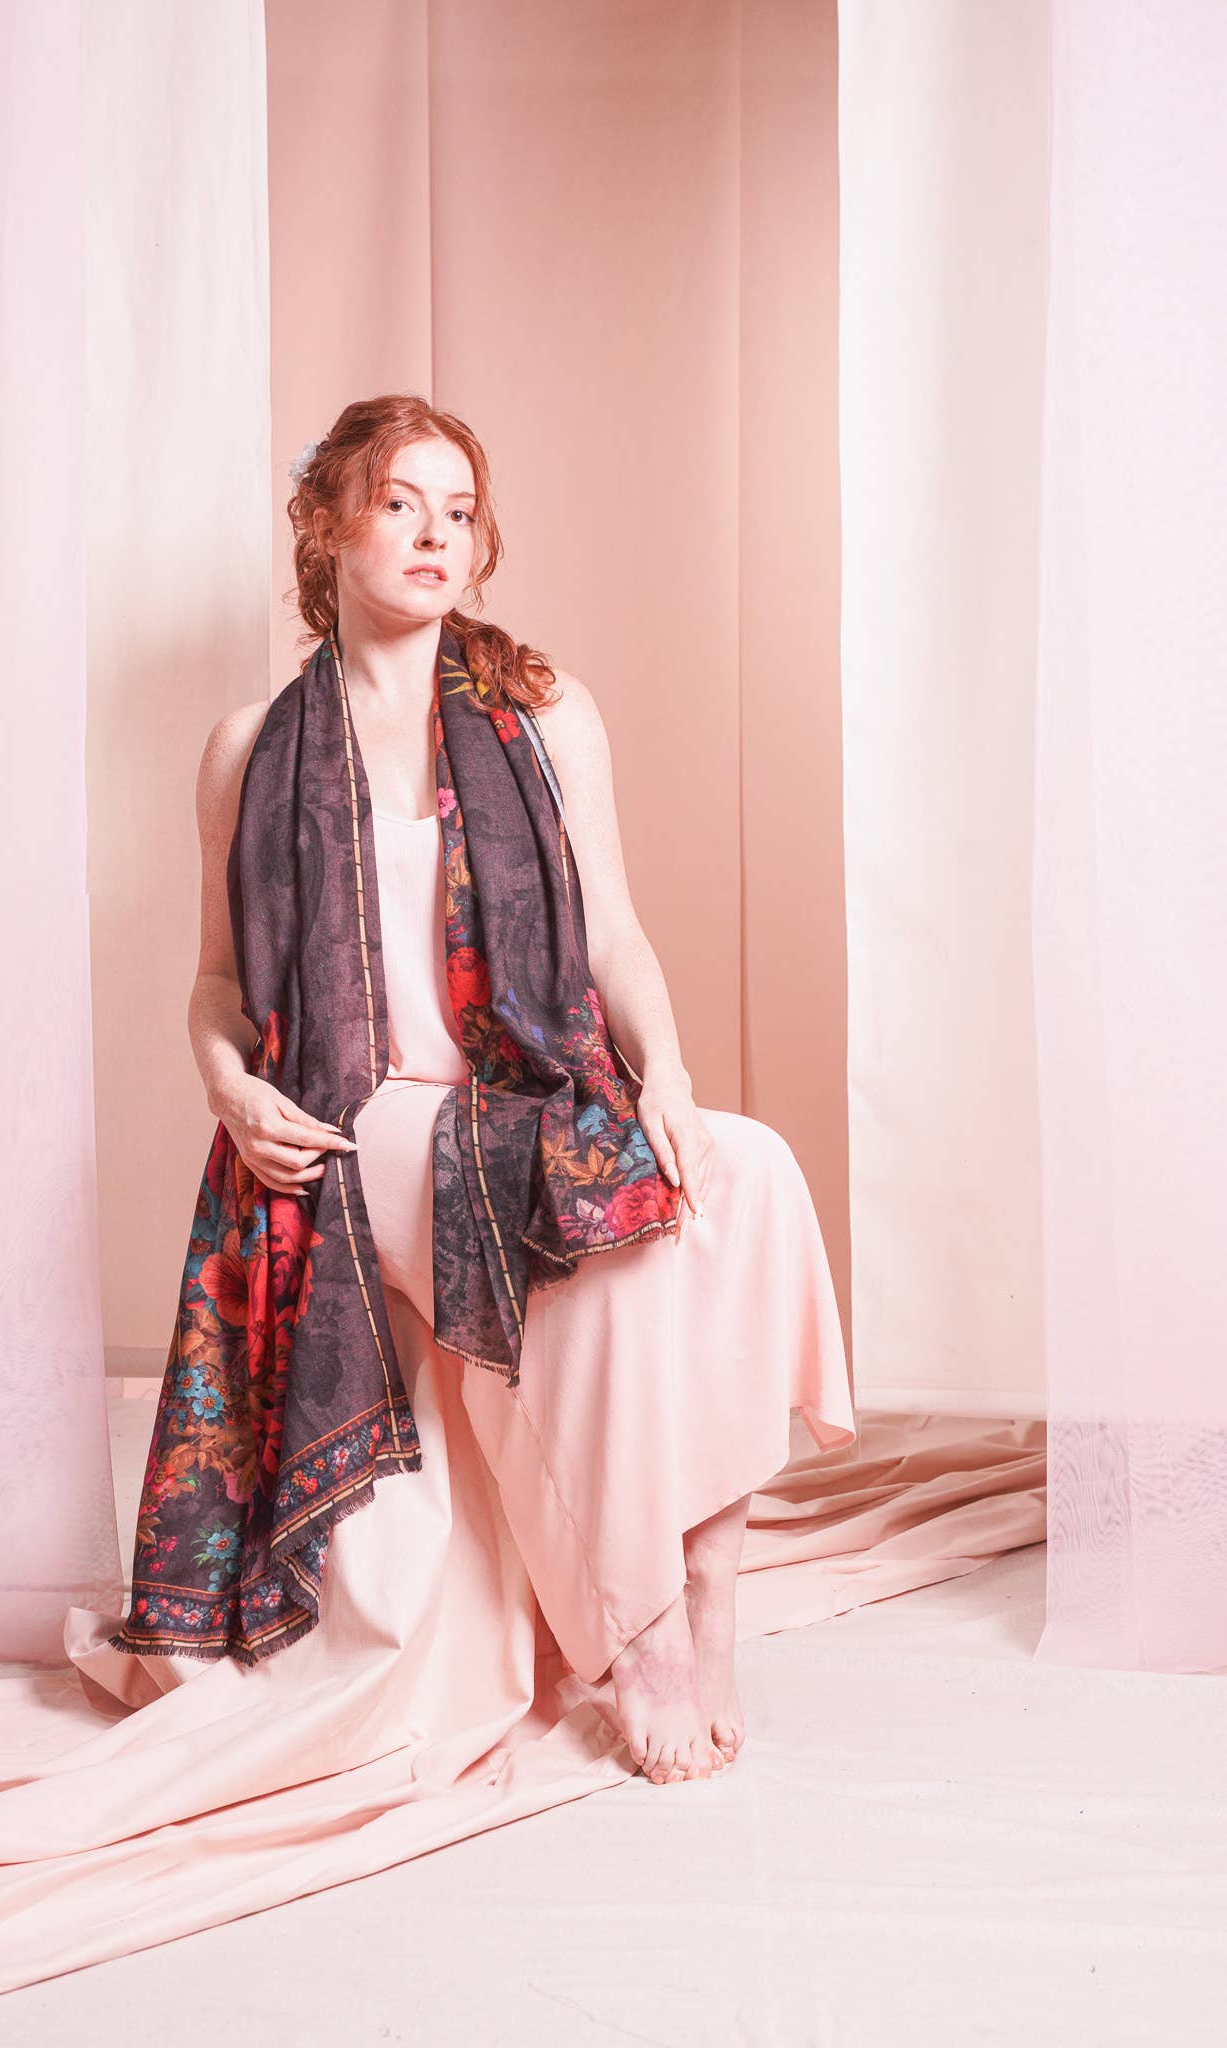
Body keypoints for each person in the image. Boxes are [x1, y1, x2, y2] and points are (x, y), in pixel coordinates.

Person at [185, 392, 855, 1786]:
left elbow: (612, 933)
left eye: (459, 510)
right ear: (328, 526)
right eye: (399, 504)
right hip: (362, 1115)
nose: (435, 534)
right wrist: (227, 1092)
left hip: (528, 1085)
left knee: (744, 1170)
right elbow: (214, 984)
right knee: (569, 1219)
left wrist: (666, 1077)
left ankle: (710, 1577)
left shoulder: (541, 713)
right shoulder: (251, 750)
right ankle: (637, 1635)